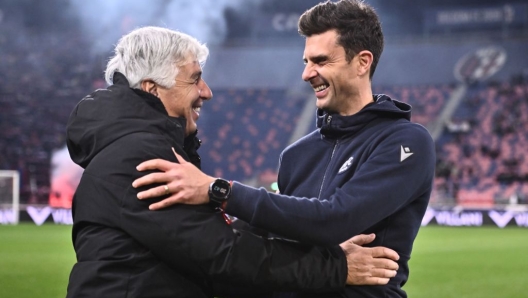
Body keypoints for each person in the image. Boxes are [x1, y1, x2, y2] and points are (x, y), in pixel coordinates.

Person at [65, 26, 400, 298]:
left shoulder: (138, 148)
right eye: (195, 79)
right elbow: (223, 254)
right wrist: (337, 268)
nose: (207, 91)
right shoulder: (137, 157)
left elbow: (213, 237)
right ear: (153, 89)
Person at [132, 1, 436, 298]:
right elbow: (256, 235)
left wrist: (219, 190)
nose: (307, 73)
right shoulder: (297, 155)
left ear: (362, 62)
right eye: (306, 62)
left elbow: (334, 221)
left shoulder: (405, 142)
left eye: (321, 61)